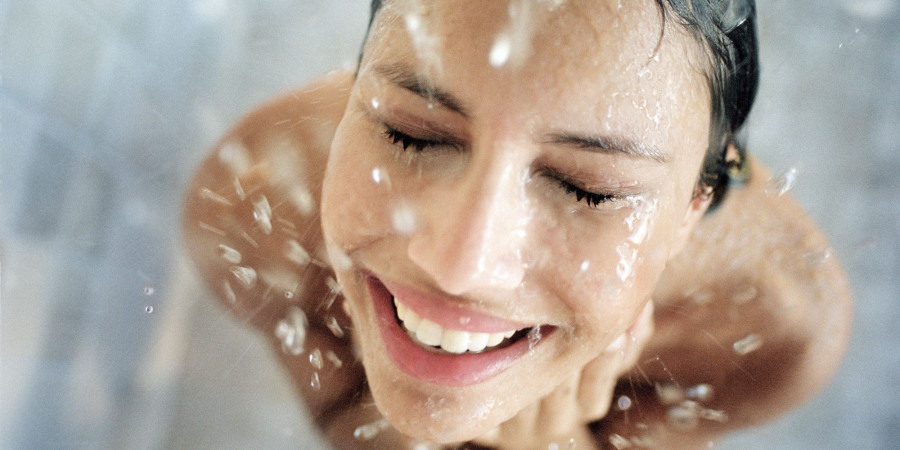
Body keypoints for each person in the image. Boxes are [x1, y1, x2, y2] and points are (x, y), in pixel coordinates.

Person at [182, 0, 852, 448]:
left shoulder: (773, 326)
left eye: (587, 189)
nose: (460, 263)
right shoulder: (250, 207)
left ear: (690, 212)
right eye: (410, 135)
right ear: (355, 91)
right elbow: (339, 421)